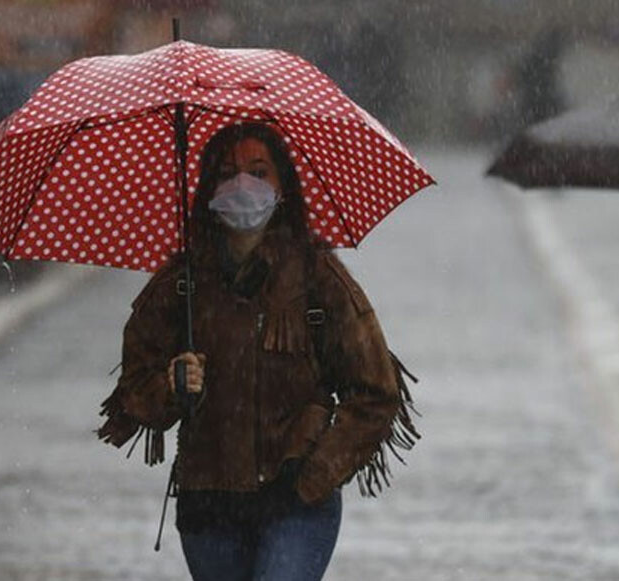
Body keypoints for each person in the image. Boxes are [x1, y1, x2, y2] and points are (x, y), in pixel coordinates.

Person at [96, 122, 418, 581]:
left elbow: (376, 392)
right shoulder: (181, 284)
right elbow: (134, 391)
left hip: (295, 509)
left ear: (283, 185)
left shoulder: (317, 278)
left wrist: (314, 476)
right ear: (208, 188)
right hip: (209, 506)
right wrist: (172, 386)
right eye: (227, 173)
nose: (243, 185)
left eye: (259, 172)